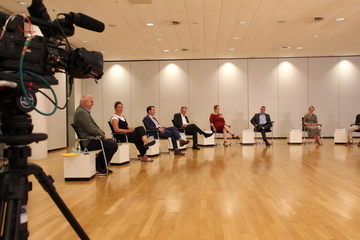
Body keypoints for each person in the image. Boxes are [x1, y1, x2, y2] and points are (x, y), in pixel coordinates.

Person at [73, 94, 118, 174]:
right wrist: (103, 135)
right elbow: (91, 129)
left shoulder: (83, 111)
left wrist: (102, 134)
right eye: (92, 102)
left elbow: (93, 128)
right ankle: (100, 164)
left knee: (113, 143)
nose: (93, 104)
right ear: (86, 102)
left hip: (91, 138)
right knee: (113, 145)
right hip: (88, 141)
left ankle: (99, 163)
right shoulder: (81, 113)